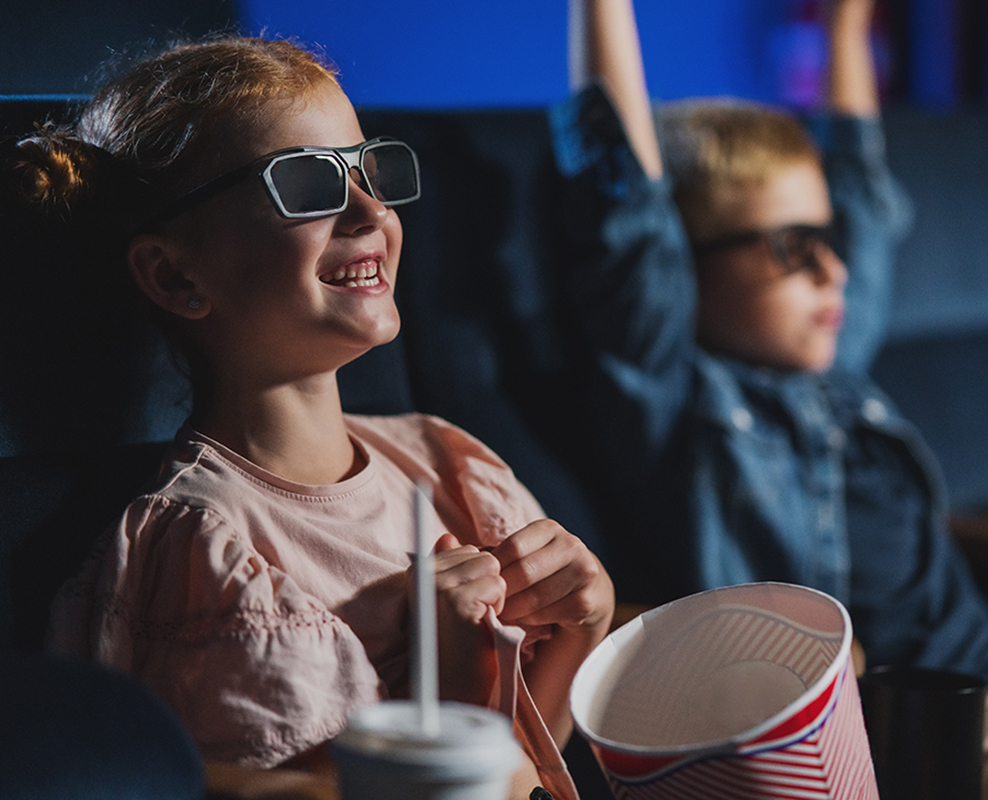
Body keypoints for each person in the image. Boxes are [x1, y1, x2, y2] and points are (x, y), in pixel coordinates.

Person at [11, 34, 612, 799]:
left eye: (367, 170)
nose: (370, 211)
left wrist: (580, 630)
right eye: (305, 182)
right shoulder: (209, 554)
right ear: (173, 273)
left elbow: (527, 761)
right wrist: (442, 704)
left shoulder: (446, 463)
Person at [554, 0, 988, 686]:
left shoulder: (832, 366)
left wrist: (844, 26)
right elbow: (623, 204)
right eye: (793, 245)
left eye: (828, 239)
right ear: (688, 264)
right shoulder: (677, 399)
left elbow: (860, 191)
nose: (832, 270)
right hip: (924, 724)